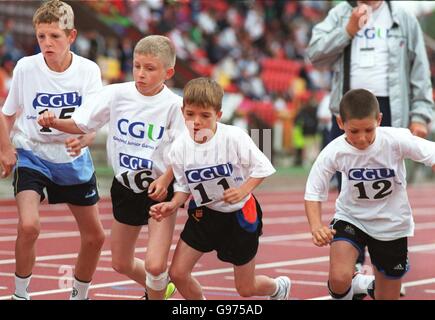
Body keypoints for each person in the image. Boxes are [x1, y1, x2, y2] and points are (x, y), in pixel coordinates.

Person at [37, 35, 184, 300]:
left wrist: (166, 181)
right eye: (137, 66)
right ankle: (163, 288)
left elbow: (183, 152)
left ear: (168, 72)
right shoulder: (116, 94)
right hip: (126, 187)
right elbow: (82, 124)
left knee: (153, 265)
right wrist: (54, 121)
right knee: (121, 263)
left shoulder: (175, 106)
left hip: (159, 188)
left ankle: (156, 291)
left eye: (150, 69)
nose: (141, 73)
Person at [307, 0, 434, 276]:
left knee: (387, 180)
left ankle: (385, 264)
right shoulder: (340, 13)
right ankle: (352, 260)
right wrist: (347, 30)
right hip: (349, 110)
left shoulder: (402, 17)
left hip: (390, 109)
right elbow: (315, 55)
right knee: (349, 183)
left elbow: (419, 67)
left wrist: (421, 113)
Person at [149, 77, 291, 300]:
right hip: (204, 215)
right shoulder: (179, 148)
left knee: (245, 289)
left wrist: (243, 190)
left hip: (239, 217)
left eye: (205, 116)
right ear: (182, 112)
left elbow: (263, 167)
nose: (196, 122)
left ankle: (278, 288)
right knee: (177, 273)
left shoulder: (233, 137)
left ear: (218, 115)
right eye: (190, 114)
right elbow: (185, 185)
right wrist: (173, 203)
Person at [0, 0, 105, 300]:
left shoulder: (88, 71)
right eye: (41, 36)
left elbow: (94, 121)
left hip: (71, 158)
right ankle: (21, 294)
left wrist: (85, 138)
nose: (47, 43)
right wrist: (5, 148)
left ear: (71, 36)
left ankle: (79, 294)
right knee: (29, 225)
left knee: (95, 237)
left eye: (54, 37)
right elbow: (6, 114)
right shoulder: (26, 68)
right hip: (32, 153)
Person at [304, 89, 435, 300]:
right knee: (338, 280)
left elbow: (432, 154)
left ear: (379, 120)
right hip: (352, 217)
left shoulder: (396, 139)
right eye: (354, 131)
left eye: (368, 130)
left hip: (391, 224)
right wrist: (316, 226)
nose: (362, 138)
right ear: (340, 123)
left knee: (387, 297)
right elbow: (313, 191)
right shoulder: (334, 151)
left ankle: (366, 285)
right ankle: (352, 283)